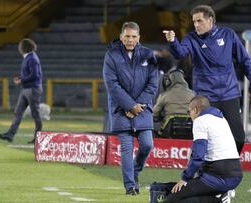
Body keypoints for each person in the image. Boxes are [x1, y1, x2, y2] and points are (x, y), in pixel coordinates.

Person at [163, 5, 251, 154]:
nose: (196, 25)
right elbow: (180, 53)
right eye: (194, 21)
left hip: (229, 94)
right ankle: (204, 173)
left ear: (210, 20)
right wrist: (173, 42)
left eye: (200, 21)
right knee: (204, 140)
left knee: (238, 139)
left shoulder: (228, 35)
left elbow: (245, 61)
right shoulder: (191, 38)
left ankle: (227, 168)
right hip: (205, 98)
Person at [103, 22, 159, 195]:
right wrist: (129, 105)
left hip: (142, 109)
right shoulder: (111, 55)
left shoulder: (148, 54)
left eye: (134, 36)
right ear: (121, 37)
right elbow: (112, 85)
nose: (130, 40)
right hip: (121, 110)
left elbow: (153, 83)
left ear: (139, 37)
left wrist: (138, 105)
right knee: (126, 148)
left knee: (147, 145)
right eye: (127, 36)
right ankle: (130, 186)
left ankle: (135, 172)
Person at [164, 96, 242, 203]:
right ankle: (221, 197)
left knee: (173, 198)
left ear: (195, 110)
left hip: (218, 175)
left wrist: (185, 178)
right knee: (188, 193)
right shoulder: (221, 118)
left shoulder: (200, 121)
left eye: (189, 111)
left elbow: (198, 156)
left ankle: (217, 201)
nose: (189, 115)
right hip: (234, 172)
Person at [0, 38, 43, 144]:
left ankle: (38, 138)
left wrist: (22, 80)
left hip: (33, 89)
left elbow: (35, 75)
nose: (19, 48)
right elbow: (29, 73)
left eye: (20, 46)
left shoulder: (32, 58)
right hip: (27, 88)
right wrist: (21, 77)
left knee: (35, 114)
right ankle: (10, 134)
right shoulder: (29, 57)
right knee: (18, 112)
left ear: (24, 47)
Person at [153, 68, 195, 135]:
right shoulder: (193, 94)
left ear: (168, 81)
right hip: (190, 128)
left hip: (169, 130)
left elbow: (155, 113)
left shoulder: (164, 95)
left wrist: (158, 118)